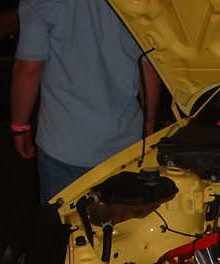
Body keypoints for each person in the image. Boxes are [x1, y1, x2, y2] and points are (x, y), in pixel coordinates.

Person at [11, 0, 161, 204]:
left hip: (64, 145)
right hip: (124, 145)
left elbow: (28, 69)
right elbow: (149, 67)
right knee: (119, 221)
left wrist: (20, 126)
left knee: (63, 221)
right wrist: (149, 123)